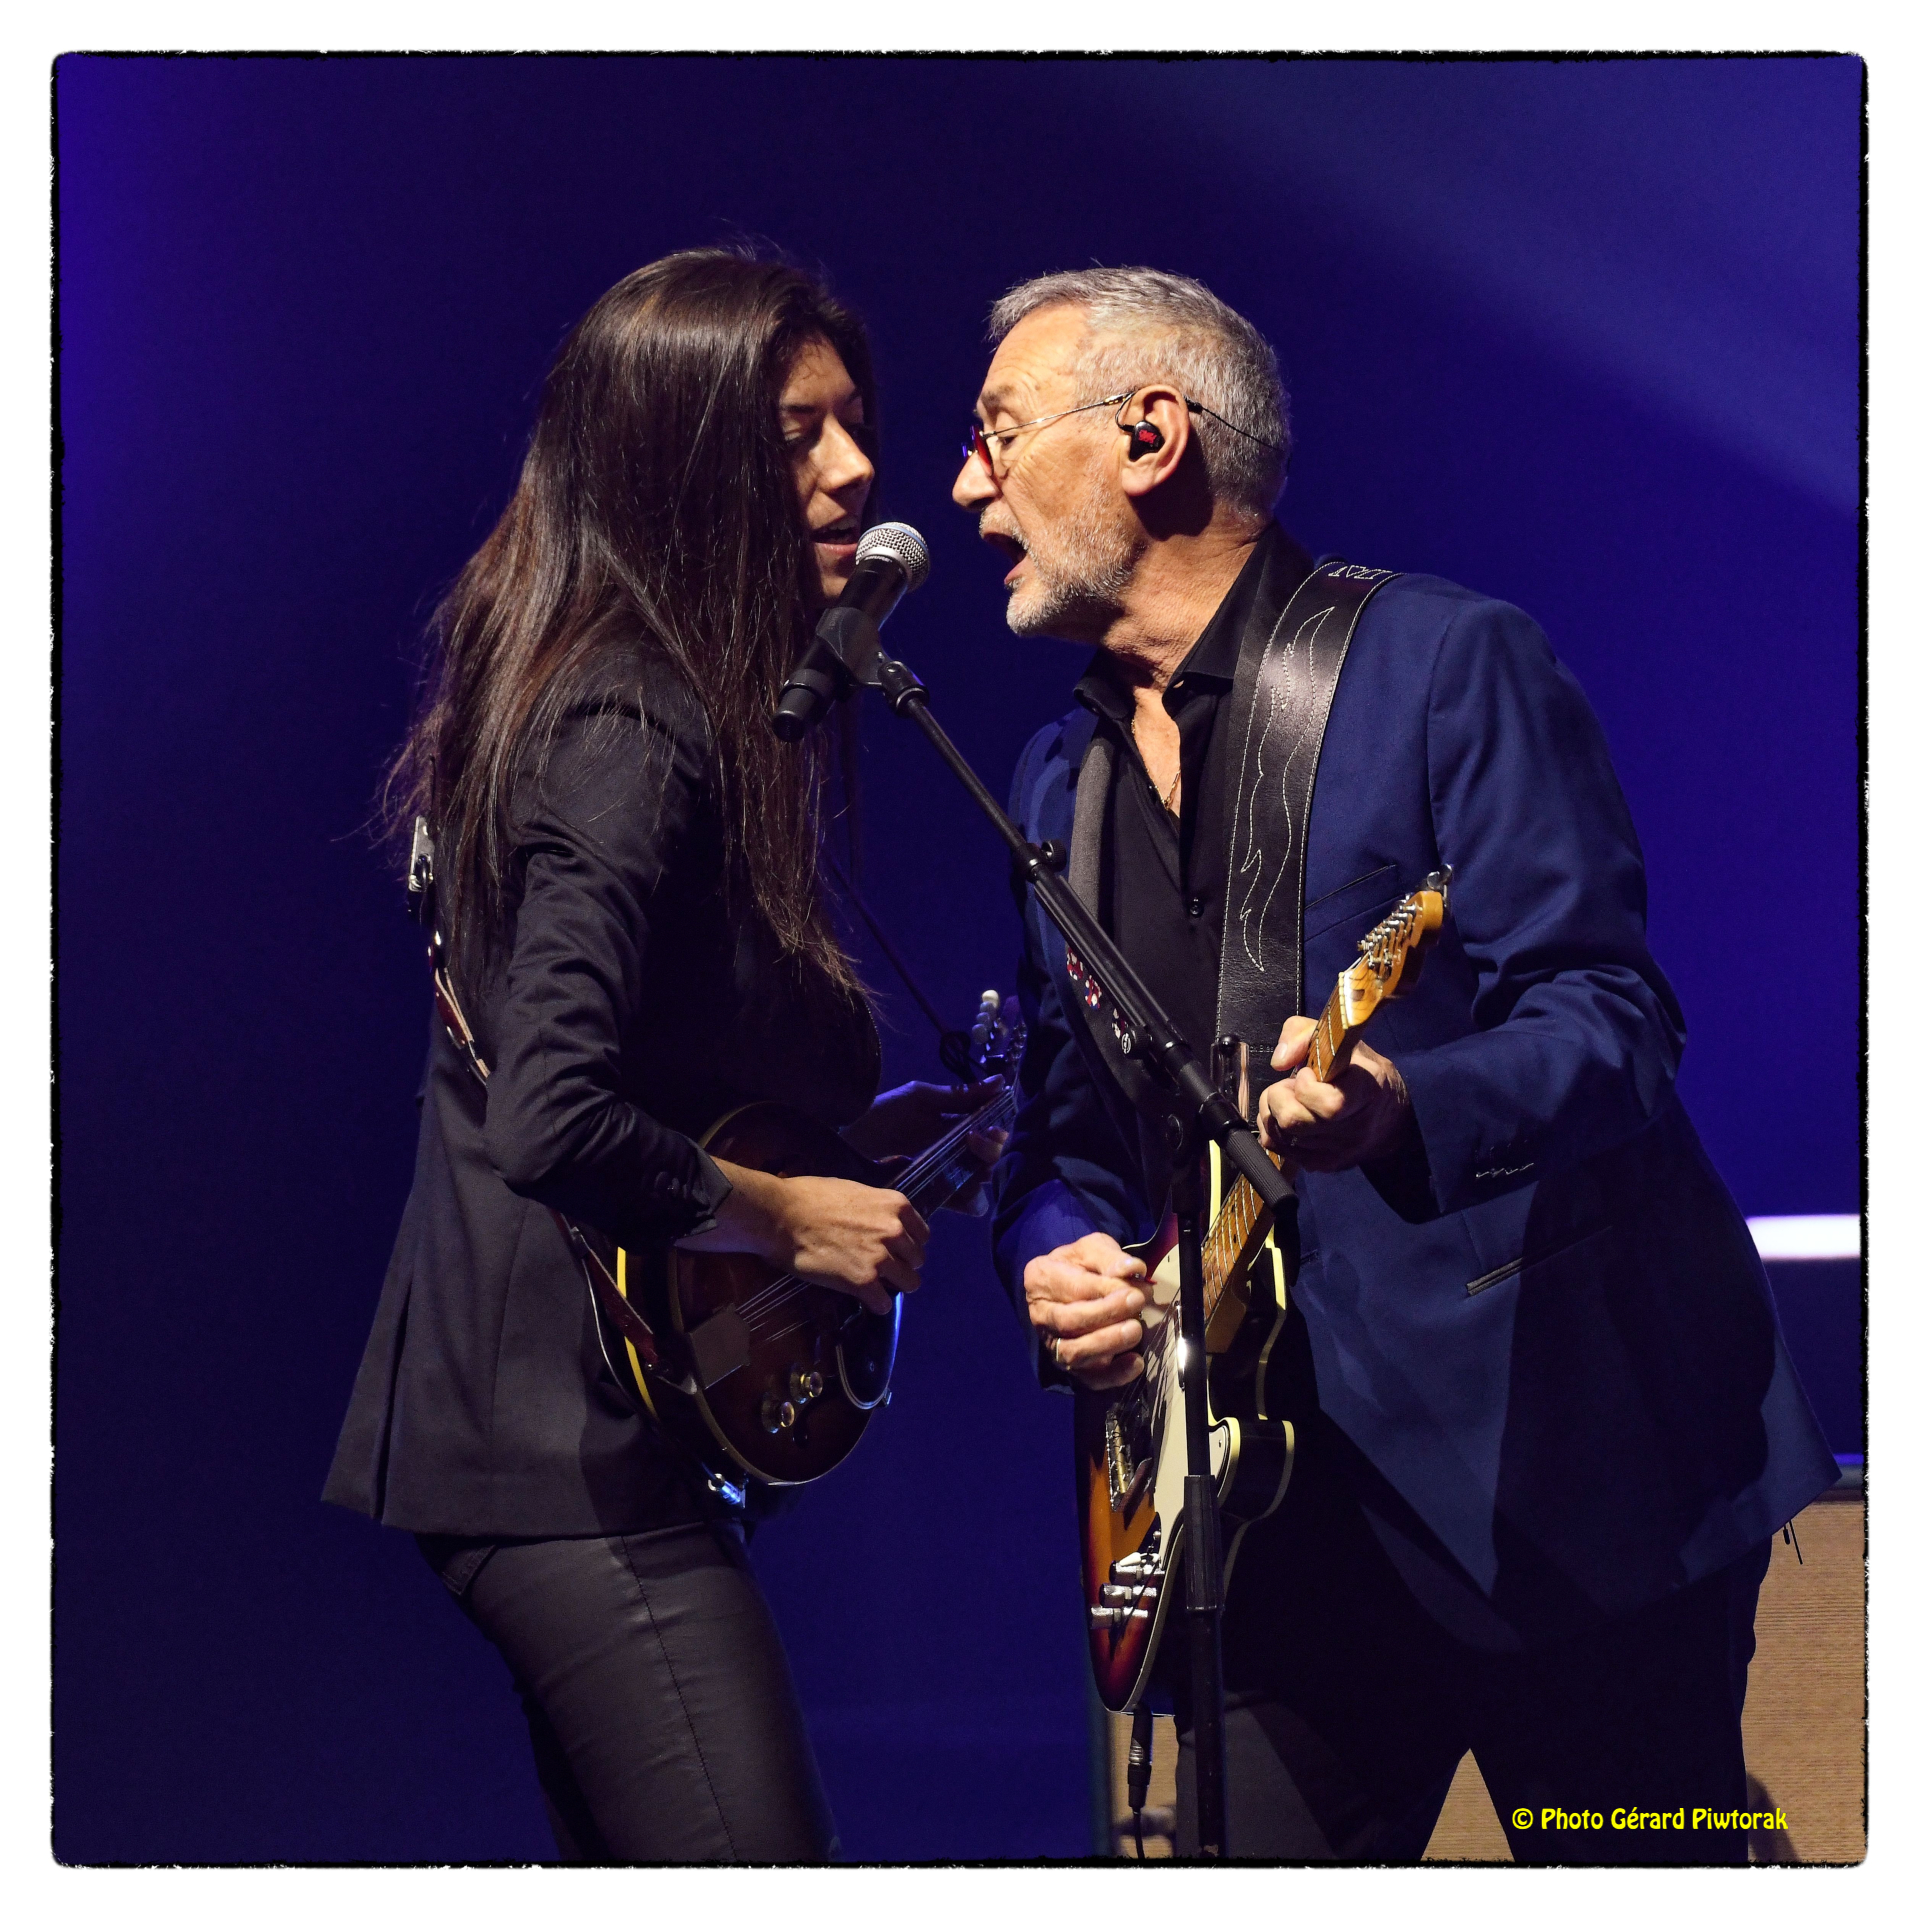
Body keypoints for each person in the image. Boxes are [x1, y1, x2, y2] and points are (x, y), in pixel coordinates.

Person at [957, 266, 1838, 1862]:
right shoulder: (1053, 781)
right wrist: (1056, 1247)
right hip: (1267, 1525)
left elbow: (1610, 1020)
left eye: (999, 433)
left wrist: (1401, 1106)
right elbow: (1059, 1139)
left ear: (1151, 436)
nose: (968, 486)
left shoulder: (1442, 663)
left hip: (1559, 1494)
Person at [324, 250, 1001, 1863]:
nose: (856, 470)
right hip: (557, 1458)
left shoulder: (640, 693)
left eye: (855, 423)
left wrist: (860, 1148)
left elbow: (651, 1078)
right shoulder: (628, 721)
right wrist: (789, 1216)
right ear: (679, 465)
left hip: (586, 1437)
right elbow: (552, 1118)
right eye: (795, 435)